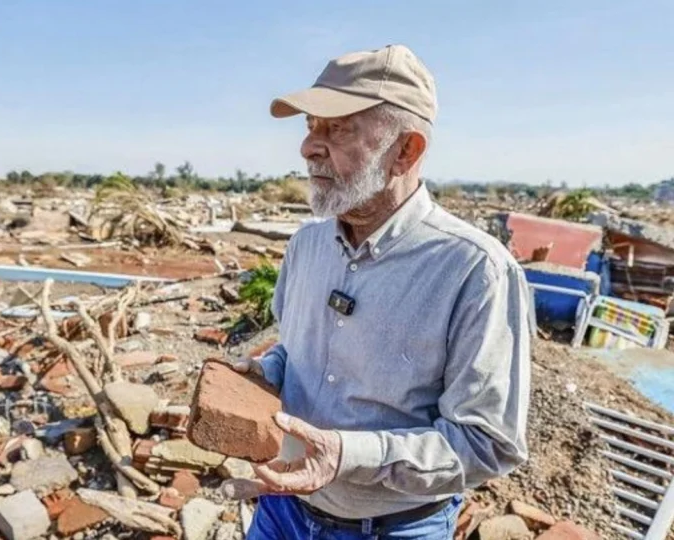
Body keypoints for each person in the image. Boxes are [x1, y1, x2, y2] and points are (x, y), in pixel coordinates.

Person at [221, 44, 532, 539]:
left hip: (390, 528)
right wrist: (264, 373)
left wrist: (348, 456)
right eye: (309, 128)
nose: (308, 148)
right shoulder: (307, 245)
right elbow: (295, 350)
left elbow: (487, 443)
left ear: (406, 150)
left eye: (338, 128)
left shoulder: (475, 270)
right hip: (283, 510)